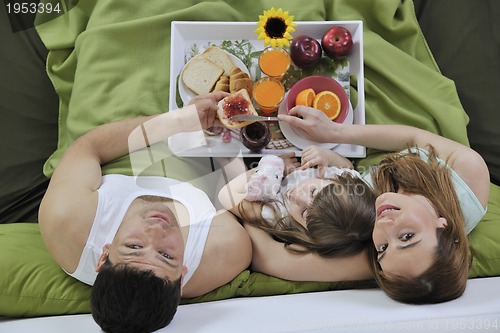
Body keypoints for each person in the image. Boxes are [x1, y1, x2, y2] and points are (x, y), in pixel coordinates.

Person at [38, 91, 252, 333]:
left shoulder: (66, 219)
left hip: (123, 120)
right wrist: (223, 139)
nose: (156, 231)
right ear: (182, 278)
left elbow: (89, 147)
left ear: (103, 255)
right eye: (166, 255)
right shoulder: (223, 253)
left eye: (134, 247)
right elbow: (237, 194)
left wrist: (178, 120)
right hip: (209, 147)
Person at [275, 105, 490, 304]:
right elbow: (414, 137)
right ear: (443, 225)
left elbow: (276, 261)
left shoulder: (390, 261)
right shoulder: (468, 172)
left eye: (383, 248)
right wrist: (335, 132)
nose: (384, 226)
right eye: (407, 236)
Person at [218, 145, 376, 280]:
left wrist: (270, 170)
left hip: (258, 182)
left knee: (229, 160)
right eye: (313, 192)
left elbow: (226, 194)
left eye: (304, 212)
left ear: (307, 233)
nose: (297, 196)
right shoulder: (343, 185)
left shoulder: (278, 215)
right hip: (284, 159)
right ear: (332, 180)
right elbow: (347, 166)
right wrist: (327, 156)